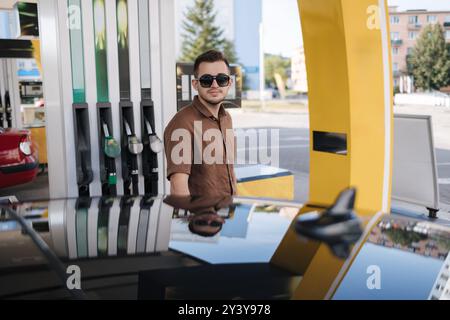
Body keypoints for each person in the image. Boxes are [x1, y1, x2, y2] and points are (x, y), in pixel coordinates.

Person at [164, 50, 237, 197]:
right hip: (201, 217)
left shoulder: (226, 118)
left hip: (227, 215)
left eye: (221, 79)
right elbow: (178, 188)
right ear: (195, 84)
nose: (214, 85)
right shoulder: (182, 123)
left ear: (229, 83)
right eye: (206, 80)